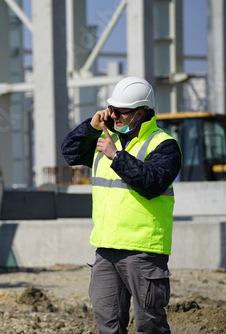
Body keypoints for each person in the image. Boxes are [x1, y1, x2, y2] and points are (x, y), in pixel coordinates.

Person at [61, 76, 182, 334]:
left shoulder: (164, 145)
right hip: (106, 249)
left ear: (140, 113)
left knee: (150, 325)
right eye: (111, 109)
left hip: (143, 251)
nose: (113, 116)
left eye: (120, 112)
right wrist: (91, 127)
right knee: (108, 324)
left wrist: (116, 157)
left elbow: (152, 182)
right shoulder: (106, 138)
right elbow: (70, 151)